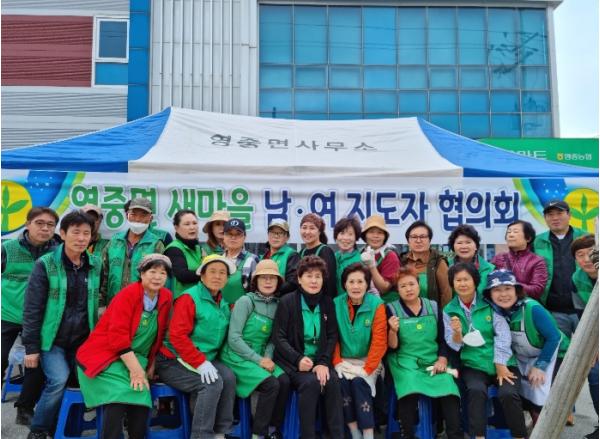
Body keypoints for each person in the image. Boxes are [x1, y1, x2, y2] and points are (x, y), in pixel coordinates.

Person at [22, 210, 102, 439]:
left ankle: (66, 425)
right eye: (76, 232)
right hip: (52, 340)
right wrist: (31, 348)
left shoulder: (95, 263)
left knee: (88, 378)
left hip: (82, 339)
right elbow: (32, 308)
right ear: (63, 234)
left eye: (86, 233)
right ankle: (38, 430)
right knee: (58, 379)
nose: (81, 238)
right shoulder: (46, 264)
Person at [76, 254, 173, 439]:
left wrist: (151, 365)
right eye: (152, 271)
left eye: (163, 273)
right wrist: (136, 371)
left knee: (141, 397)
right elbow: (117, 337)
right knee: (119, 397)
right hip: (104, 358)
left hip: (137, 358)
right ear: (142, 274)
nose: (157, 277)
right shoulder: (128, 294)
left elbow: (161, 335)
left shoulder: (166, 297)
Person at [156, 254, 237, 439]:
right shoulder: (189, 298)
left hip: (204, 358)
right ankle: (201, 435)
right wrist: (200, 362)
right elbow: (177, 336)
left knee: (229, 377)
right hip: (173, 360)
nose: (217, 276)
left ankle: (220, 432)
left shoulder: (223, 302)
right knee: (211, 384)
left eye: (222, 273)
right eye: (212, 272)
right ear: (202, 275)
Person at [443, 262, 526, 439]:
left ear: (475, 281)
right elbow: (454, 345)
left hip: (503, 362)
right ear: (452, 283)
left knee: (508, 393)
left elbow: (503, 335)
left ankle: (520, 436)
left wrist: (500, 364)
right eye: (458, 280)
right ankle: (478, 436)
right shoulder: (449, 310)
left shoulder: (489, 303)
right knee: (475, 390)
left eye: (466, 279)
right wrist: (457, 333)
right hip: (473, 364)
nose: (462, 284)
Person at [272, 255, 344, 438]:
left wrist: (323, 362)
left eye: (318, 276)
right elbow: (279, 337)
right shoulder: (287, 301)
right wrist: (297, 359)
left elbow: (332, 335)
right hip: (293, 362)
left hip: (318, 361)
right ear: (299, 279)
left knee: (333, 382)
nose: (314, 281)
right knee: (311, 383)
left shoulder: (327, 302)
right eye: (309, 276)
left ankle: (336, 435)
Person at [1, 207, 61, 425]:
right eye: (39, 223)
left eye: (50, 225)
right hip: (8, 315)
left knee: (35, 364)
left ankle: (25, 408)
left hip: (39, 318)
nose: (45, 228)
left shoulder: (58, 253)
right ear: (27, 224)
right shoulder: (7, 248)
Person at [387, 266, 462, 439]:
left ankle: (455, 435)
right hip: (405, 362)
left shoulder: (433, 306)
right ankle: (408, 435)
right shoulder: (391, 309)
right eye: (403, 286)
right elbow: (392, 347)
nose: (408, 289)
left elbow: (443, 339)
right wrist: (392, 331)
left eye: (411, 284)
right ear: (397, 290)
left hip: (432, 360)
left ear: (418, 285)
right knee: (409, 387)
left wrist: (442, 359)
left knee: (449, 387)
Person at [220, 259, 290, 439]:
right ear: (255, 281)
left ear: (278, 282)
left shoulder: (278, 304)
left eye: (272, 278)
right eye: (263, 277)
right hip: (237, 356)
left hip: (261, 356)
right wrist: (259, 360)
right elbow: (234, 338)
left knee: (284, 380)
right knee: (271, 384)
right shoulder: (245, 301)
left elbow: (273, 339)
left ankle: (273, 429)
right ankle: (258, 434)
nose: (268, 281)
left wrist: (267, 357)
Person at [484, 269, 562, 426]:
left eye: (508, 288)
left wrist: (540, 366)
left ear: (517, 290)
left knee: (541, 389)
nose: (503, 294)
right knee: (524, 393)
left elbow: (554, 337)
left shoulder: (532, 308)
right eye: (497, 290)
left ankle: (545, 428)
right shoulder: (496, 313)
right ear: (489, 295)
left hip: (551, 353)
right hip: (523, 356)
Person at [533, 199, 586, 426]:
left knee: (591, 362)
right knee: (560, 362)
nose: (555, 218)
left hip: (585, 310)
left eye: (559, 213)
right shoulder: (538, 241)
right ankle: (566, 409)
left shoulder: (585, 238)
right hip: (554, 310)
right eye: (550, 214)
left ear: (569, 214)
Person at [333, 263, 387, 439]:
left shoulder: (377, 304)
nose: (355, 286)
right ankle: (354, 431)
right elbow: (332, 337)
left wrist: (367, 368)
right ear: (344, 284)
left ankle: (368, 433)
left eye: (360, 282)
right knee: (341, 383)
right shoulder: (336, 304)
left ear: (367, 284)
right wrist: (337, 362)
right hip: (343, 360)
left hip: (368, 360)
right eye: (351, 282)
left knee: (359, 383)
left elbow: (379, 341)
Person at [103, 197, 165, 304]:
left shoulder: (156, 245)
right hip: (114, 304)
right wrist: (101, 305)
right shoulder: (114, 242)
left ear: (150, 218)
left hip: (142, 307)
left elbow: (160, 280)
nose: (137, 219)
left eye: (143, 215)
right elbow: (104, 275)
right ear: (127, 215)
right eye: (133, 214)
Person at [570, 234, 599, 433]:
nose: (587, 259)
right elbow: (583, 316)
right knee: (594, 373)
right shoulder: (576, 278)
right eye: (580, 255)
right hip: (595, 333)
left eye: (591, 253)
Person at [491, 220, 548, 301]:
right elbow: (490, 283)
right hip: (501, 303)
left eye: (515, 232)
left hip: (525, 305)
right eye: (508, 232)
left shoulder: (537, 261)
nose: (510, 235)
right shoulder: (499, 258)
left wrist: (510, 282)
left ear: (528, 238)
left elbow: (537, 290)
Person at [401, 221, 452, 307]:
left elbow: (446, 295)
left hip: (432, 313)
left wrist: (440, 314)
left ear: (429, 240)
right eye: (414, 237)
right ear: (408, 241)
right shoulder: (402, 261)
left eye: (423, 237)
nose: (418, 241)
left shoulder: (438, 263)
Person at [359, 215, 401, 303]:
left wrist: (372, 265)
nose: (375, 236)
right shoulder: (360, 253)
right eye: (371, 232)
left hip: (386, 305)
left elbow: (384, 288)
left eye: (380, 232)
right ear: (365, 235)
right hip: (364, 303)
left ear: (385, 236)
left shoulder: (390, 256)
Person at [164, 209, 203, 298]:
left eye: (194, 223)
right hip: (183, 299)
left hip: (199, 298)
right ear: (176, 228)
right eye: (187, 224)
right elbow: (182, 275)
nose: (192, 227)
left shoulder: (198, 248)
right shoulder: (174, 249)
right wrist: (207, 274)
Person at [447, 224, 495, 295]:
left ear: (476, 246)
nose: (464, 246)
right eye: (459, 243)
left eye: (468, 242)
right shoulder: (445, 267)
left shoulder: (490, 269)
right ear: (453, 247)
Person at [298, 213, 337, 298]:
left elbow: (330, 285)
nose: (307, 232)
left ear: (319, 231)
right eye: (304, 227)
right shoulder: (301, 252)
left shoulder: (325, 251)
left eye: (312, 228)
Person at [221, 218, 259, 303]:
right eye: (229, 234)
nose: (233, 237)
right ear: (223, 236)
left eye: (238, 234)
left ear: (244, 237)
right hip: (218, 310)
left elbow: (257, 293)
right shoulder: (217, 260)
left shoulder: (252, 260)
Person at [260, 219, 300, 295]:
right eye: (272, 232)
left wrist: (270, 290)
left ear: (287, 237)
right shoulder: (263, 256)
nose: (276, 236)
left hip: (282, 300)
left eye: (280, 233)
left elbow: (293, 283)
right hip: (264, 299)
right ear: (268, 235)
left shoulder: (292, 255)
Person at [333, 216, 362, 296]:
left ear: (356, 238)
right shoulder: (333, 257)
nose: (345, 238)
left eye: (350, 234)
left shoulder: (361, 260)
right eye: (342, 233)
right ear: (336, 236)